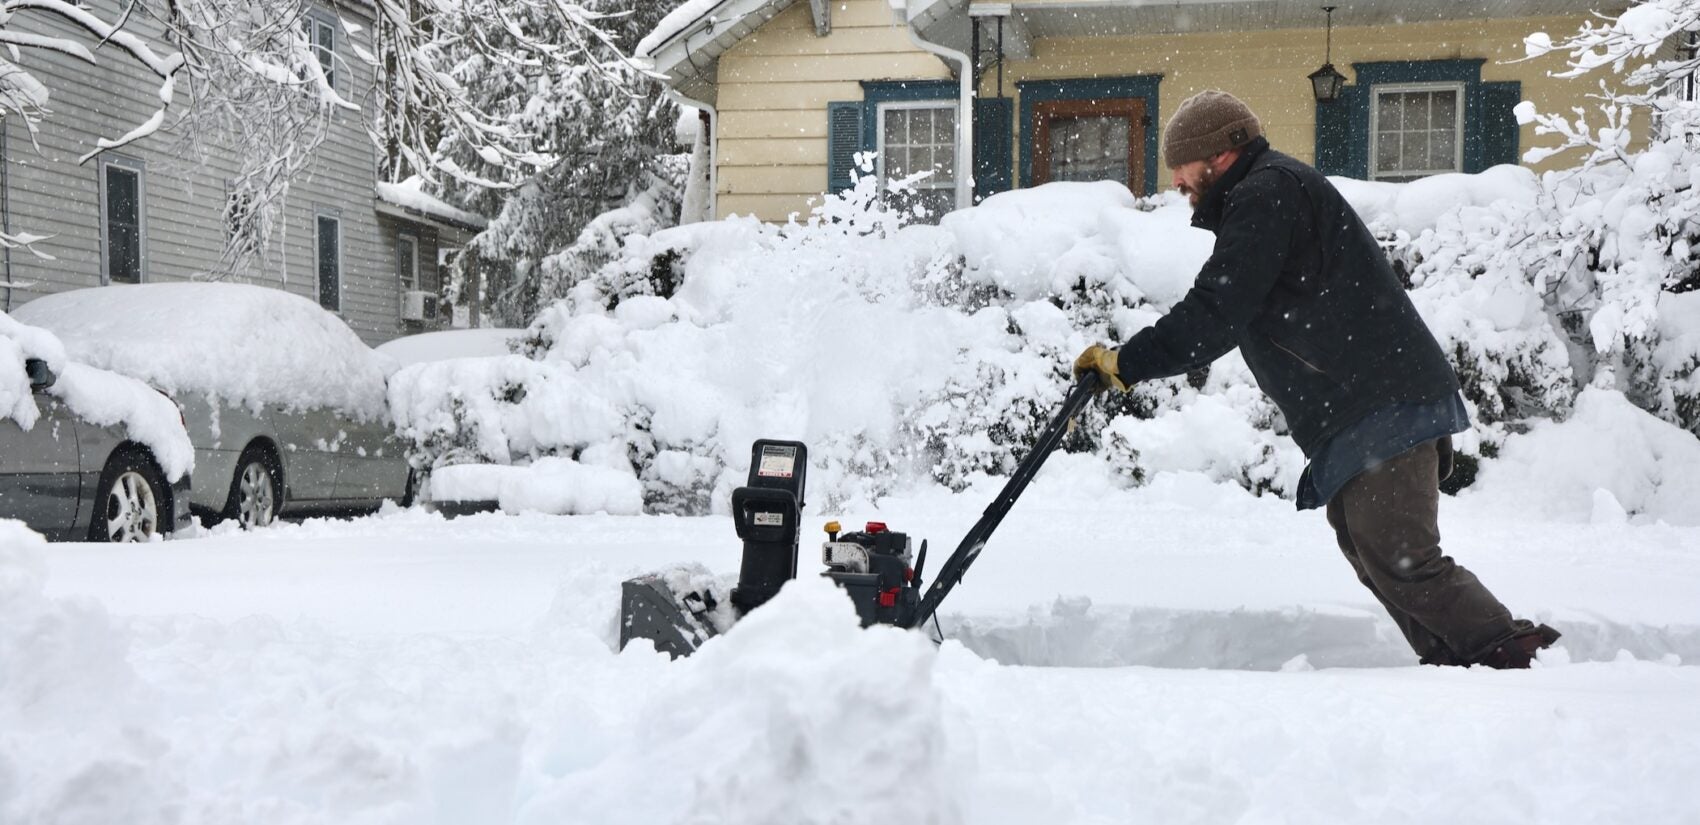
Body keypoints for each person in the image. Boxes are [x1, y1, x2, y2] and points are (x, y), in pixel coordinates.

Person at [1074, 90, 1559, 669]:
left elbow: (1216, 311)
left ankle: (1510, 656)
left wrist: (1126, 363)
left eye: (1182, 163)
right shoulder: (1265, 193)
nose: (1176, 179)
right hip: (1365, 406)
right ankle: (1460, 663)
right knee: (1369, 546)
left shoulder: (1267, 192)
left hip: (1381, 401)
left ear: (1221, 155)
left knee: (1401, 554)